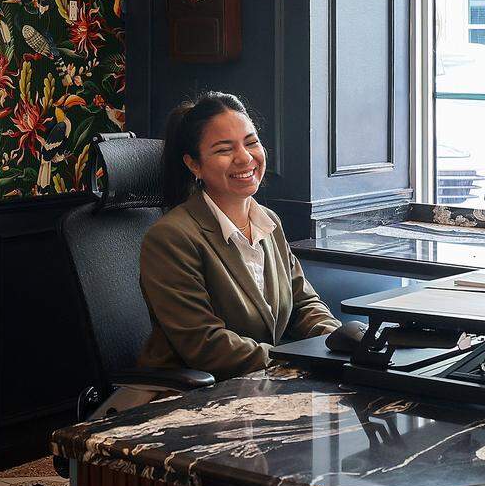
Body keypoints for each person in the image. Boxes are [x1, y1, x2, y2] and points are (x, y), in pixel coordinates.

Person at [137, 92, 339, 381]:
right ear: (194, 165)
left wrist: (335, 342)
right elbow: (205, 344)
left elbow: (303, 304)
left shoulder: (269, 222)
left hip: (264, 381)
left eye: (251, 142)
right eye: (224, 149)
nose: (245, 157)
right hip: (193, 393)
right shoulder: (171, 238)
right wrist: (294, 360)